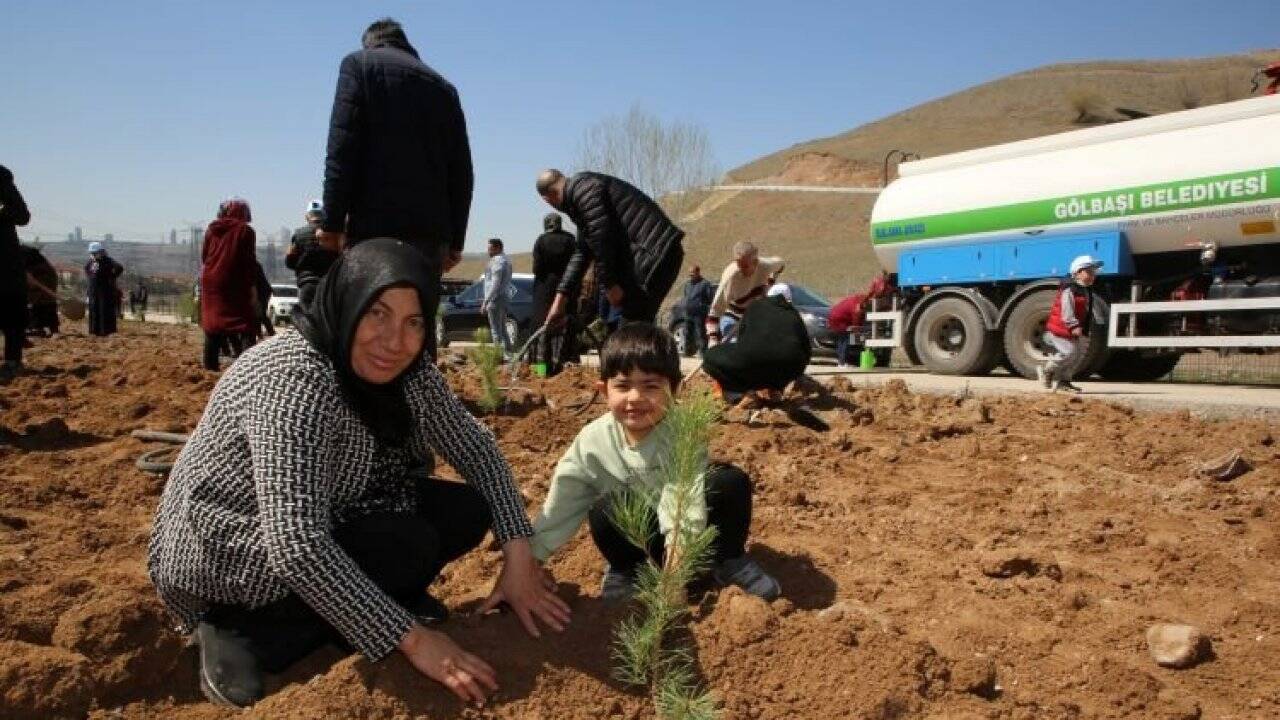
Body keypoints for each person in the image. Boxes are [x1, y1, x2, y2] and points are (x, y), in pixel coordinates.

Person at [148, 239, 569, 709]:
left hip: (332, 506)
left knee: (463, 511)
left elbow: (474, 446)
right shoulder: (291, 377)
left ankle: (361, 609)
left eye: (413, 322)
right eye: (377, 313)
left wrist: (517, 551)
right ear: (347, 302)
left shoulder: (407, 369)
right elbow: (296, 544)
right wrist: (414, 642)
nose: (395, 341)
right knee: (400, 546)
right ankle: (243, 629)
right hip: (232, 553)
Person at [526, 322, 780, 602]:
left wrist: (675, 575)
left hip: (690, 536)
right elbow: (563, 502)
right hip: (641, 537)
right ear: (604, 390)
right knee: (606, 509)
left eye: (650, 386)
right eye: (622, 386)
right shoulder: (592, 441)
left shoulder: (683, 433)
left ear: (675, 389)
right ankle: (627, 570)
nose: (635, 398)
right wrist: (530, 563)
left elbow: (684, 503)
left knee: (729, 482)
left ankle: (728, 560)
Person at [318, 18, 473, 356]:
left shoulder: (358, 65)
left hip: (375, 227)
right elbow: (462, 173)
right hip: (428, 236)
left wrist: (331, 222)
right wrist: (454, 242)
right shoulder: (444, 88)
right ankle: (422, 406)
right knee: (417, 326)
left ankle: (362, 408)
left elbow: (341, 148)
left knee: (367, 319)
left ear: (369, 42)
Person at [535, 169, 685, 327]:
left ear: (547, 199)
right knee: (634, 331)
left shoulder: (584, 190)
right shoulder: (581, 196)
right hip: (654, 255)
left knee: (631, 333)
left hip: (654, 255)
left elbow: (602, 238)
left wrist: (609, 284)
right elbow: (581, 253)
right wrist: (559, 302)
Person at [703, 284, 811, 403]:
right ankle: (775, 390)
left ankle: (742, 393)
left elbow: (742, 340)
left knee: (710, 356)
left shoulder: (755, 306)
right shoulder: (793, 314)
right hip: (789, 370)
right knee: (775, 361)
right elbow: (807, 348)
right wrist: (797, 370)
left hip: (755, 365)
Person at [199, 199, 259, 370]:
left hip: (210, 281)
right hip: (234, 281)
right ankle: (248, 367)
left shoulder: (212, 230)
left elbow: (205, 256)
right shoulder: (245, 231)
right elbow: (249, 262)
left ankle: (210, 366)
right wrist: (252, 288)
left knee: (213, 324)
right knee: (246, 323)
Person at [1040, 255, 1101, 393]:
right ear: (1078, 272)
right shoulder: (1069, 288)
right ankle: (1049, 369)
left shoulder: (1084, 288)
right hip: (1062, 327)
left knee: (1077, 355)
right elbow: (1066, 309)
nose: (1093, 275)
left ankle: (1064, 381)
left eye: (1094, 273)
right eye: (1089, 272)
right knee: (1069, 352)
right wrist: (1073, 325)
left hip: (1073, 328)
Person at [706, 242, 785, 345]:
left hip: (754, 317)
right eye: (738, 264)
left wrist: (770, 283)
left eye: (745, 266)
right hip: (732, 316)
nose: (741, 269)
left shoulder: (766, 266)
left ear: (755, 262)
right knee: (735, 345)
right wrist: (713, 340)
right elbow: (714, 313)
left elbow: (781, 264)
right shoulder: (730, 277)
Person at [530, 213, 577, 374]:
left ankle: (541, 372)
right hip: (566, 289)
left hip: (544, 290)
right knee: (566, 330)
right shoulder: (571, 240)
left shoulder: (541, 241)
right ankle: (564, 371)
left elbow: (536, 268)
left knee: (542, 331)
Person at [0, 165, 30, 376]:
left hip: (4, 262)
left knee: (11, 310)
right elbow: (22, 216)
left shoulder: (1, 177)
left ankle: (12, 360)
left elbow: (22, 215)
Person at [285, 200, 337, 308]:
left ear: (307, 217)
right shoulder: (332, 234)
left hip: (307, 284)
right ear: (324, 215)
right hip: (328, 286)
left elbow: (290, 263)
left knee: (306, 320)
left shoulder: (298, 234)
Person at [481, 238, 513, 354]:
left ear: (498, 248)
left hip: (496, 298)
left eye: (490, 249)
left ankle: (498, 355)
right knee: (503, 328)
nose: (488, 251)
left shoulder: (497, 261)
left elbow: (495, 283)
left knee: (495, 330)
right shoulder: (507, 260)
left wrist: (486, 301)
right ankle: (508, 353)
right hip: (504, 297)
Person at [85, 241, 124, 337]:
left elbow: (119, 268)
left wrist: (112, 276)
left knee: (105, 310)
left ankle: (107, 331)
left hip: (105, 291)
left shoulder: (108, 261)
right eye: (91, 253)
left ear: (101, 252)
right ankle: (93, 331)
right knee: (94, 310)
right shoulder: (90, 262)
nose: (93, 255)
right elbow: (86, 270)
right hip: (93, 290)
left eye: (95, 253)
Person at [679, 265, 714, 356]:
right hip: (688, 313)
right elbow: (686, 296)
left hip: (699, 314)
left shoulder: (705, 284)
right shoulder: (687, 284)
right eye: (690, 273)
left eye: (692, 273)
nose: (691, 275)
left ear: (698, 272)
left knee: (700, 333)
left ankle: (703, 353)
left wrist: (703, 306)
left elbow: (710, 298)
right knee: (687, 332)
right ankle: (688, 352)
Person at [828, 293, 868, 368]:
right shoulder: (856, 307)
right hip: (840, 320)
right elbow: (856, 322)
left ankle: (841, 362)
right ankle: (842, 363)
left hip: (834, 317)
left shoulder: (854, 300)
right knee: (845, 340)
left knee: (841, 340)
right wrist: (858, 330)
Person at [253, 261, 275, 339]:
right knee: (259, 315)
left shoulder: (252, 264)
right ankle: (261, 333)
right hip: (263, 292)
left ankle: (270, 333)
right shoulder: (254, 263)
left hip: (262, 292)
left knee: (260, 314)